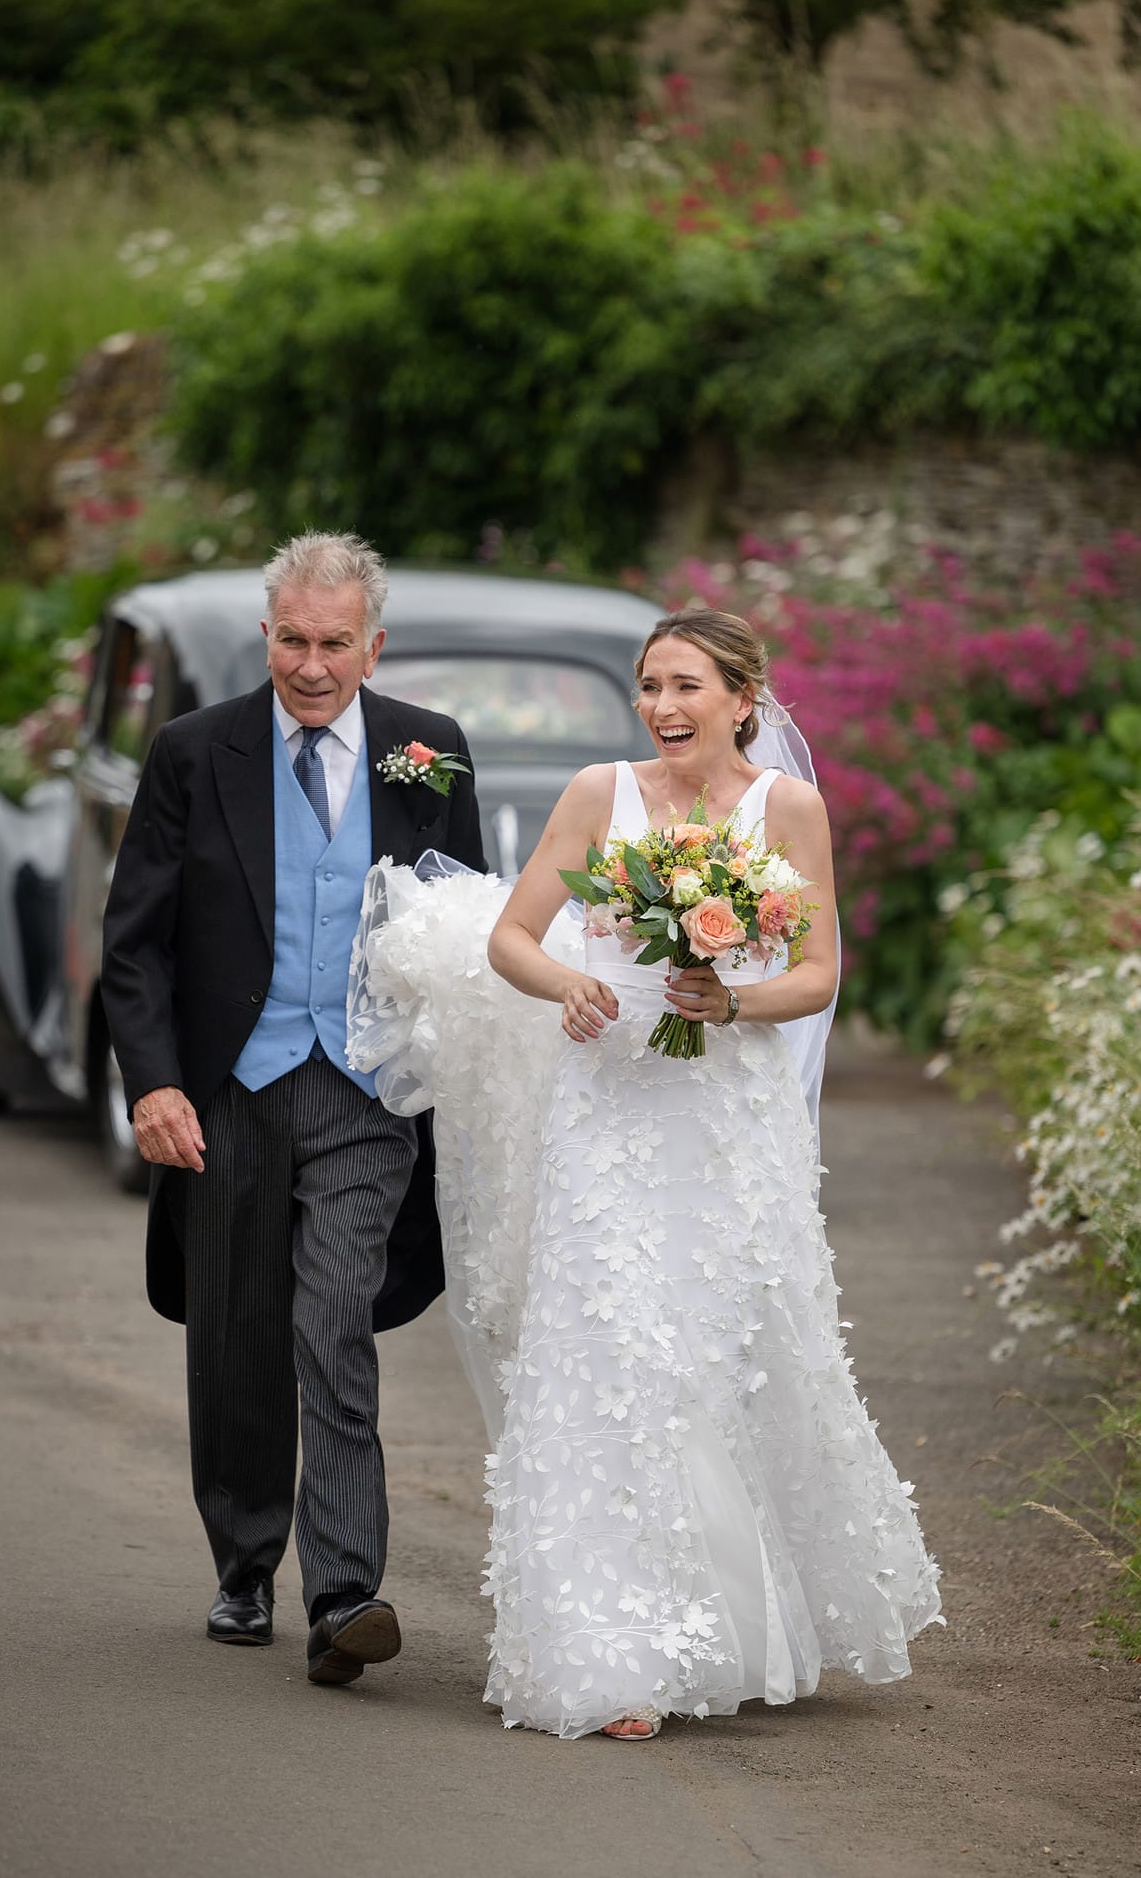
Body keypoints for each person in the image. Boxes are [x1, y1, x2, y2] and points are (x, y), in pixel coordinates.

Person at [348, 609, 942, 1740]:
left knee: (726, 1354)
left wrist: (733, 997)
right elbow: (513, 935)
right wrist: (561, 982)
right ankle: (609, 1648)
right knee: (606, 1352)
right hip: (608, 1104)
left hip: (727, 1114)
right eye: (647, 685)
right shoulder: (597, 794)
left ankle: (742, 1619)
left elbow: (815, 973)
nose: (662, 707)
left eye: (683, 686)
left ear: (739, 698)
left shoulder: (789, 811)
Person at [101, 530, 486, 1686]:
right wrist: (154, 1082)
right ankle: (241, 1556)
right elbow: (133, 944)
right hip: (227, 1087)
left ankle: (343, 1592)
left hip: (365, 1089)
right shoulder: (191, 751)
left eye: (333, 643)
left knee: (333, 1322)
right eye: (290, 640)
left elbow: (460, 923)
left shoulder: (429, 750)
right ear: (264, 635)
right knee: (235, 1335)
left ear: (374, 643)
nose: (310, 665)